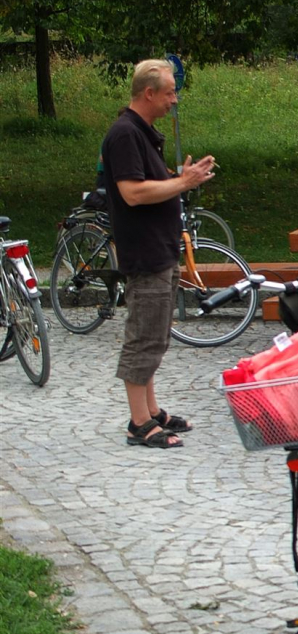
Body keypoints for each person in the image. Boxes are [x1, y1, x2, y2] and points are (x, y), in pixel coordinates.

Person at [103, 58, 216, 448]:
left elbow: (150, 184)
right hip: (145, 252)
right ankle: (139, 424)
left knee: (157, 334)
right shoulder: (124, 134)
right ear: (148, 93)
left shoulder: (143, 131)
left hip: (161, 247)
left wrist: (178, 180)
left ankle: (151, 410)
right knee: (144, 336)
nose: (175, 99)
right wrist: (182, 183)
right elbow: (132, 193)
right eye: (170, 92)